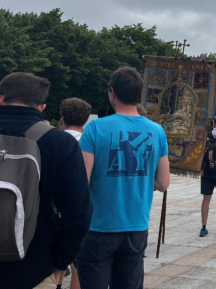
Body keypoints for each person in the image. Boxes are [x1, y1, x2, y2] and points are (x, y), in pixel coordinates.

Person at [76, 67, 170, 289]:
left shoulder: (95, 128)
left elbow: (81, 181)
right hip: (136, 224)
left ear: (112, 92)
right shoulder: (157, 131)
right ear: (139, 94)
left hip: (100, 224)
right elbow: (163, 183)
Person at [0, 73, 92, 289]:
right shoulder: (60, 142)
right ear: (41, 107)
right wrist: (61, 262)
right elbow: (78, 212)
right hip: (34, 267)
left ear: (1, 99)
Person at [58, 97, 92, 289]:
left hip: (53, 209)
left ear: (62, 117)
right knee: (78, 267)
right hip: (80, 208)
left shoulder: (53, 139)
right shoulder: (89, 143)